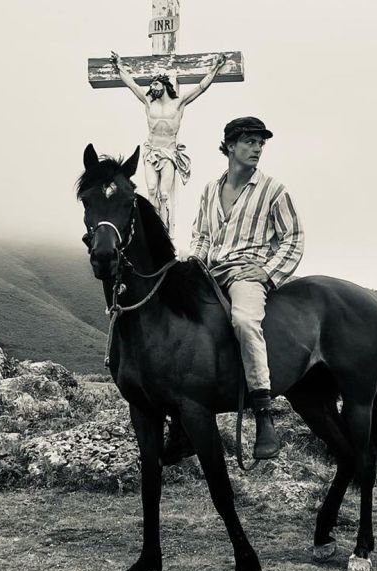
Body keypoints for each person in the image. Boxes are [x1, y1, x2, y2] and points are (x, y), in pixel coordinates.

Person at [186, 116, 304, 459]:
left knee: (244, 322)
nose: (257, 148)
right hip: (210, 273)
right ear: (230, 146)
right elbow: (202, 236)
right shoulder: (209, 190)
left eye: (260, 143)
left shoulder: (274, 191)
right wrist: (195, 263)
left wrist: (267, 273)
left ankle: (264, 414)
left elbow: (293, 239)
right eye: (250, 141)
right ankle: (181, 421)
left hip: (246, 274)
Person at [110, 51, 228, 229]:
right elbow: (132, 85)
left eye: (155, 83)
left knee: (164, 194)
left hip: (168, 153)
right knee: (151, 189)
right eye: (151, 85)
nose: (152, 87)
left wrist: (215, 68)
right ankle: (151, 224)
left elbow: (201, 87)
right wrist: (119, 66)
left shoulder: (178, 103)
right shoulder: (149, 102)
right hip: (151, 152)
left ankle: (163, 226)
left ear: (165, 84)